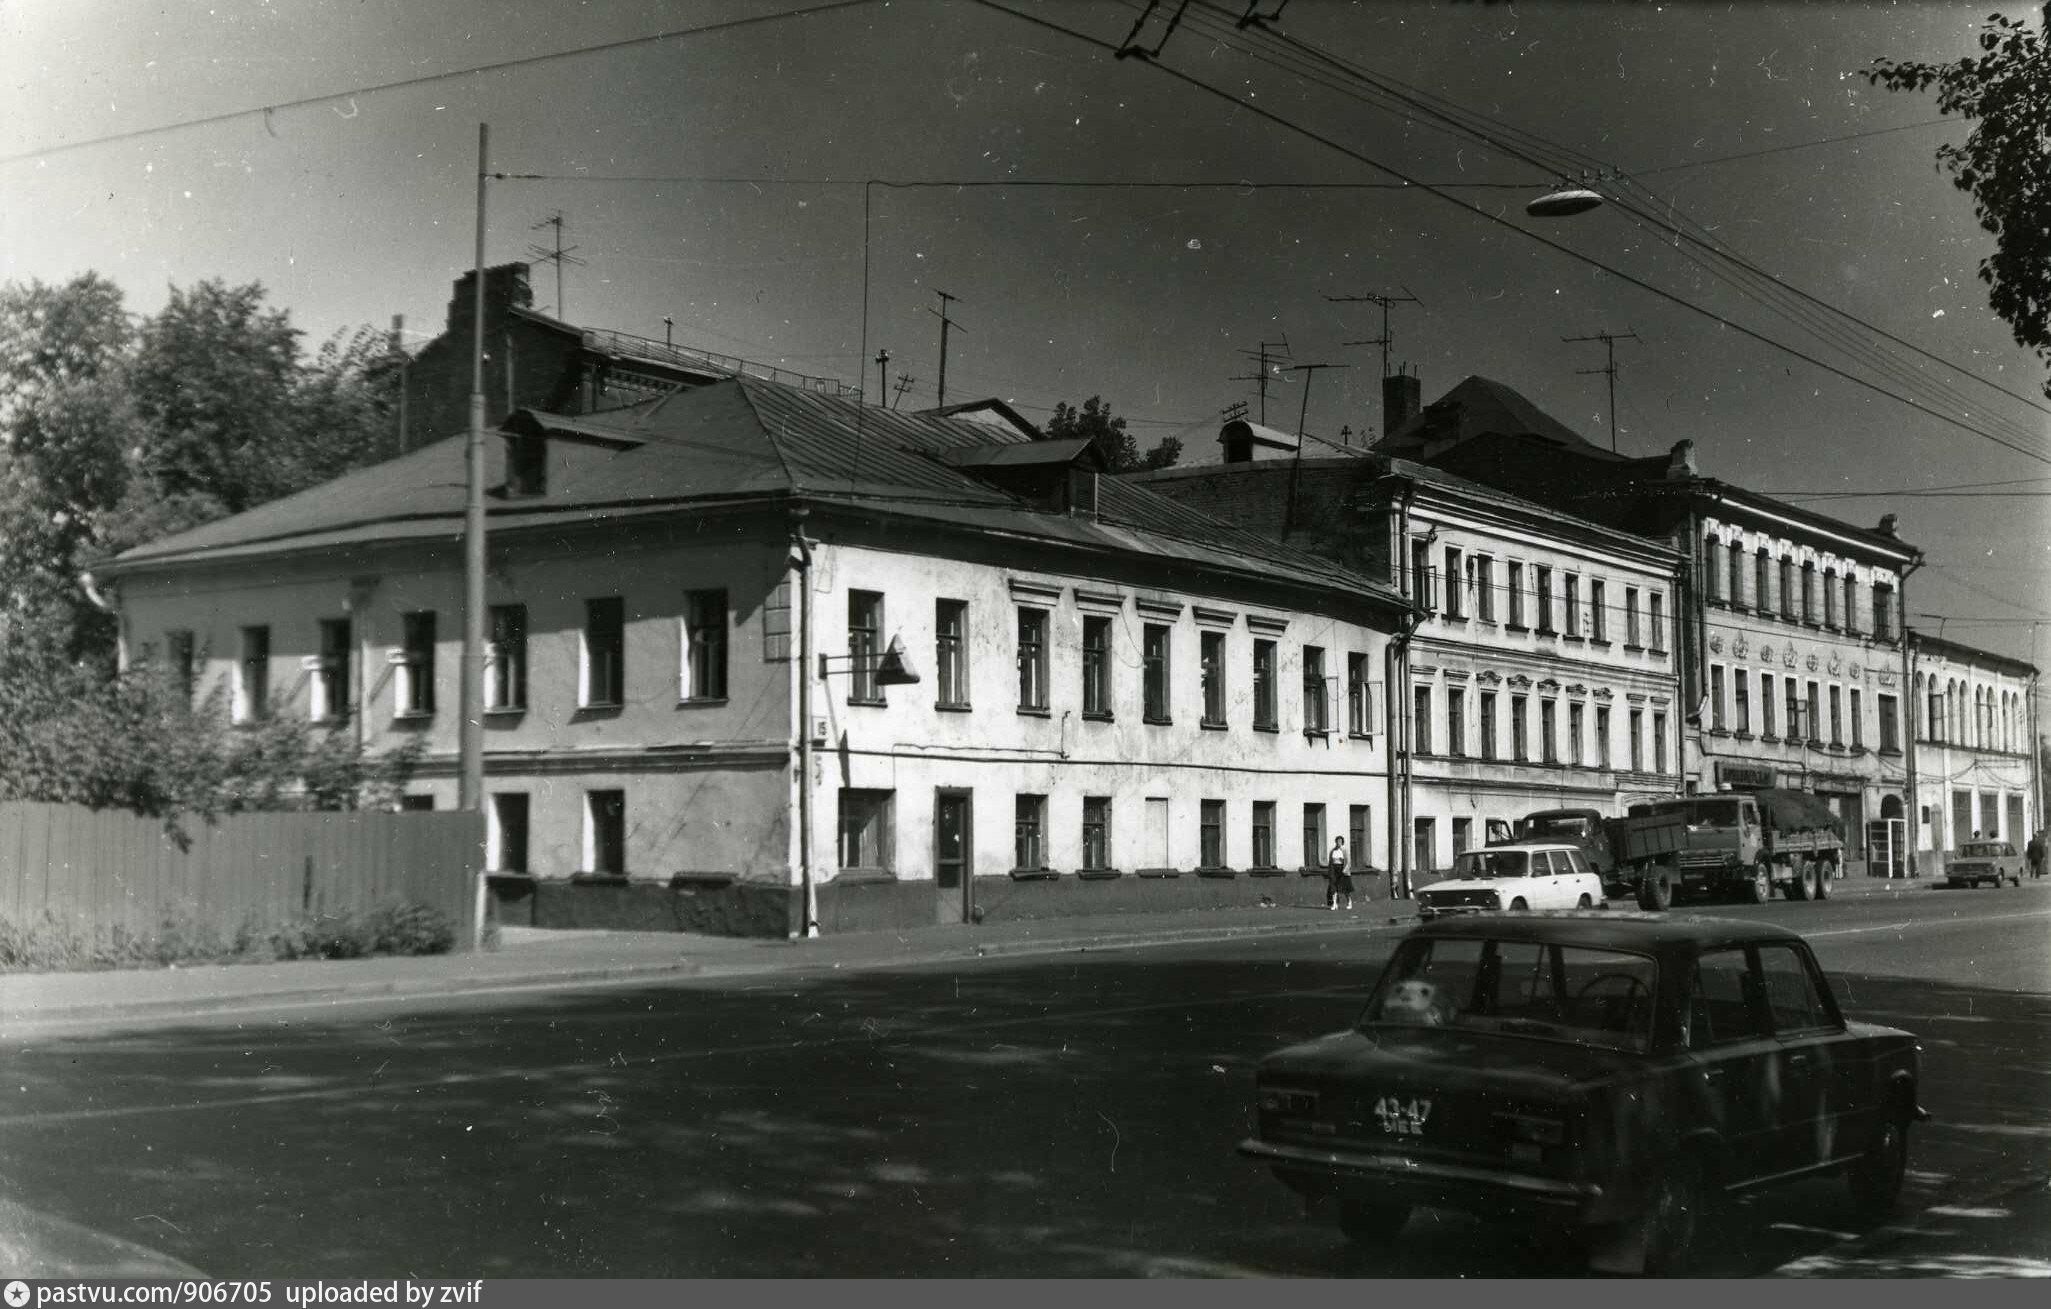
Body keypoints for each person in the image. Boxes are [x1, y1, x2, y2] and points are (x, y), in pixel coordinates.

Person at [1326, 836, 1354, 912]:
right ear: (1336, 842)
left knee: (1344, 888)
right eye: (1338, 841)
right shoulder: (1332, 851)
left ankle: (1349, 901)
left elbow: (1348, 862)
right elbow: (1330, 862)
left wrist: (1345, 870)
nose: (1339, 843)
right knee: (1333, 887)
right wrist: (1330, 871)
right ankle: (1334, 904)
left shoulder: (1344, 851)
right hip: (1334, 870)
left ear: (1342, 842)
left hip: (1342, 870)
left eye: (1340, 841)